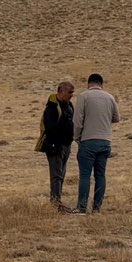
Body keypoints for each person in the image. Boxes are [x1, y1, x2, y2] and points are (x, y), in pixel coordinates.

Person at [72, 72, 119, 214]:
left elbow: (77, 121)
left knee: (85, 175)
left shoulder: (84, 96)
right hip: (105, 141)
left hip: (88, 140)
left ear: (88, 83)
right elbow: (116, 118)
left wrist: (76, 137)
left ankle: (81, 208)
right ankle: (97, 208)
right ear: (101, 84)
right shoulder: (110, 97)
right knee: (100, 175)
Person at [35, 81, 76, 209]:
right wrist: (55, 145)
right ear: (61, 91)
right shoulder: (52, 108)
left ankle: (57, 201)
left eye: (72, 93)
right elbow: (50, 129)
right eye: (69, 92)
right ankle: (55, 203)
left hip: (66, 146)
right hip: (55, 147)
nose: (71, 95)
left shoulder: (69, 105)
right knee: (56, 176)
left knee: (61, 175)